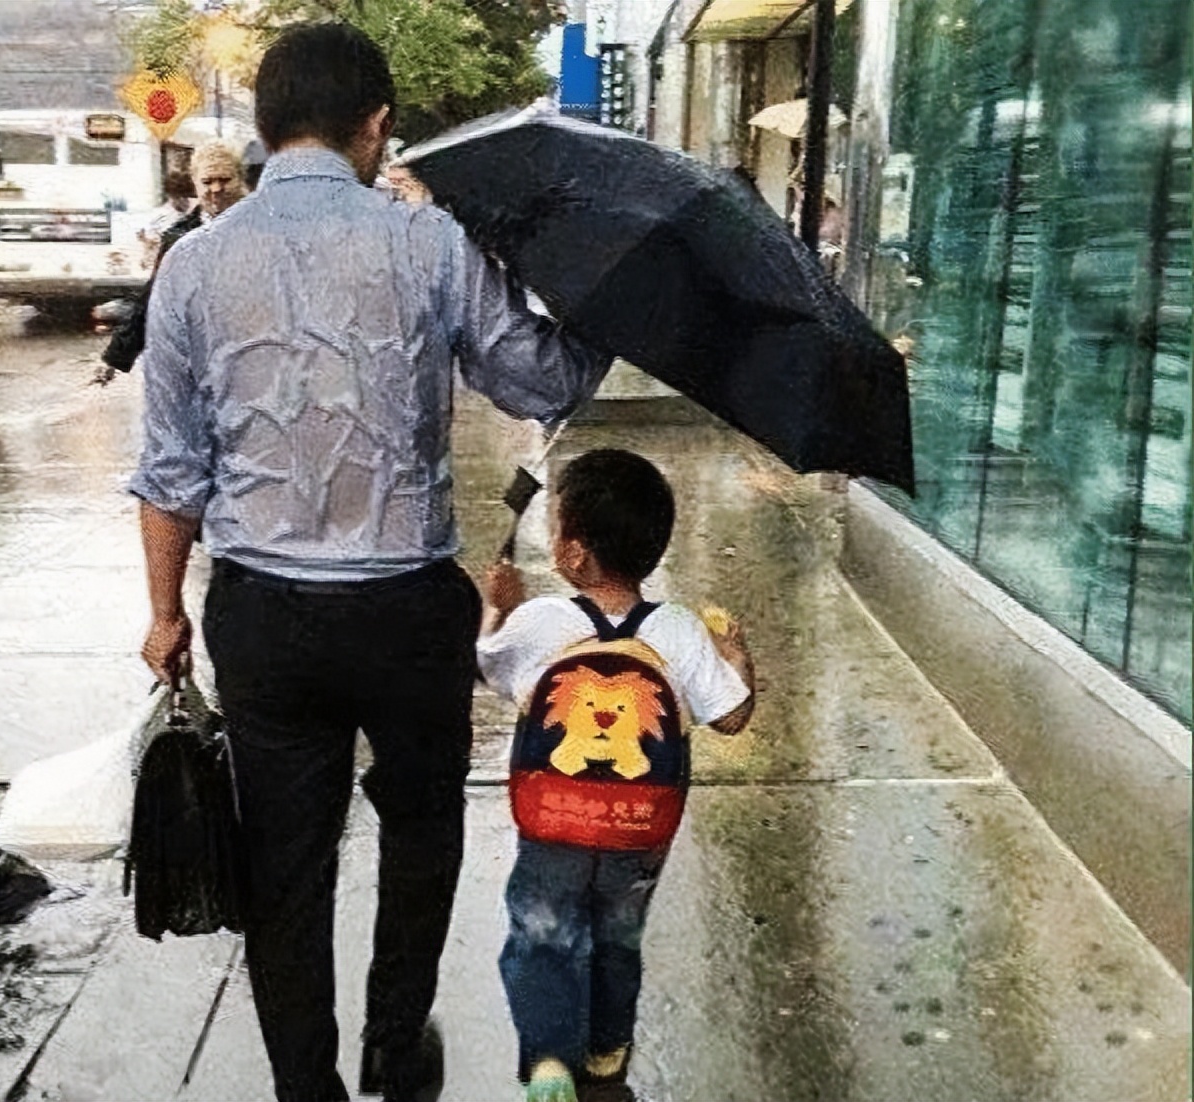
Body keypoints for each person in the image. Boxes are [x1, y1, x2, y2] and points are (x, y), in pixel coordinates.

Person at [131, 22, 611, 1102]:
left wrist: (165, 613)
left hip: (264, 616)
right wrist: (593, 310)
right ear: (377, 125)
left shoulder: (195, 265)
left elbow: (169, 471)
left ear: (262, 129)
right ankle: (397, 1045)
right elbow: (538, 382)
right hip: (405, 615)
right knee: (422, 825)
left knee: (284, 864)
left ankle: (306, 1084)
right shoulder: (430, 246)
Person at [479, 450, 755, 1102]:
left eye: (554, 526)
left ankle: (548, 1059)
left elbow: (488, 668)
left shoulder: (542, 621)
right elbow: (734, 718)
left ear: (574, 555)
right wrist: (736, 656)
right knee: (618, 935)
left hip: (554, 821)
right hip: (639, 831)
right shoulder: (681, 630)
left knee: (543, 928)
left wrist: (499, 609)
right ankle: (605, 1054)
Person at [96, 141, 244, 384]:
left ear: (240, 179)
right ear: (195, 184)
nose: (216, 188)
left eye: (225, 180)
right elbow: (153, 300)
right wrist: (115, 358)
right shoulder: (178, 238)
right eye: (207, 182)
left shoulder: (266, 230)